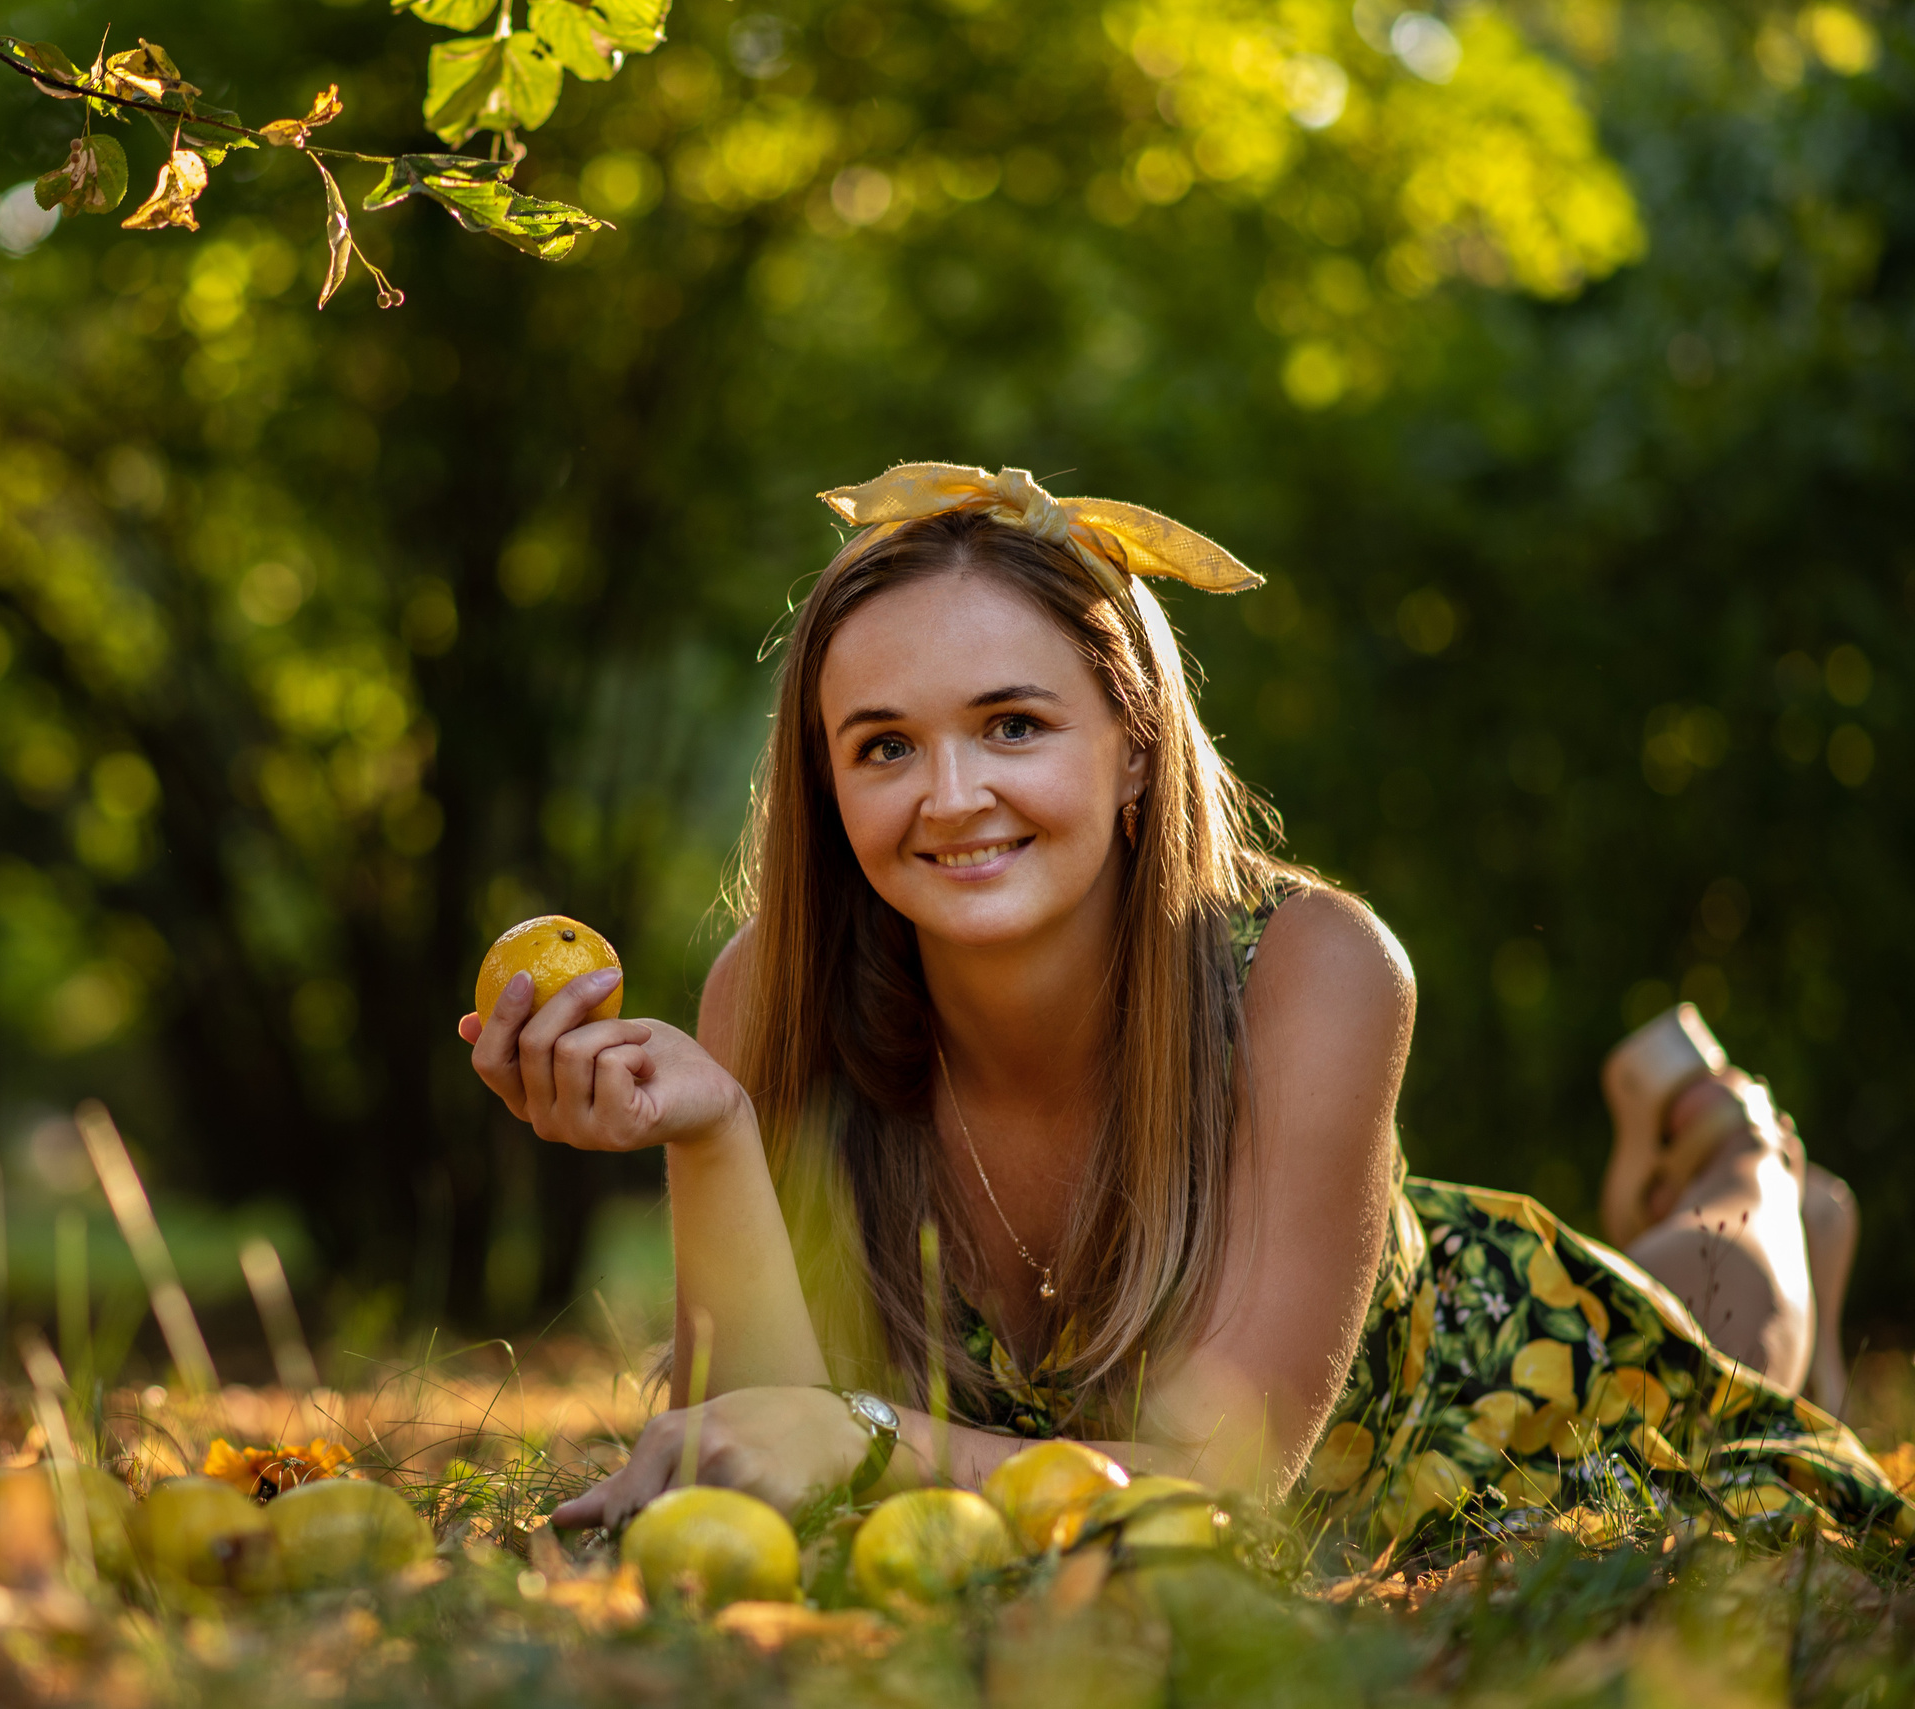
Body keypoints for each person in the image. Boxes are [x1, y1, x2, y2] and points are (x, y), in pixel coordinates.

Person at [458, 462, 1904, 1551]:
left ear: (1137, 750)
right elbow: (745, 1453)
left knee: (1733, 1305)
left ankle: (1756, 1168)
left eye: (1014, 724)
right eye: (884, 744)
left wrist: (855, 1432)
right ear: (830, 786)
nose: (952, 796)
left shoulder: (1317, 963)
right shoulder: (767, 991)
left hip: (1467, 1382)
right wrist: (708, 1137)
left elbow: (1214, 1498)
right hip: (1058, 1470)